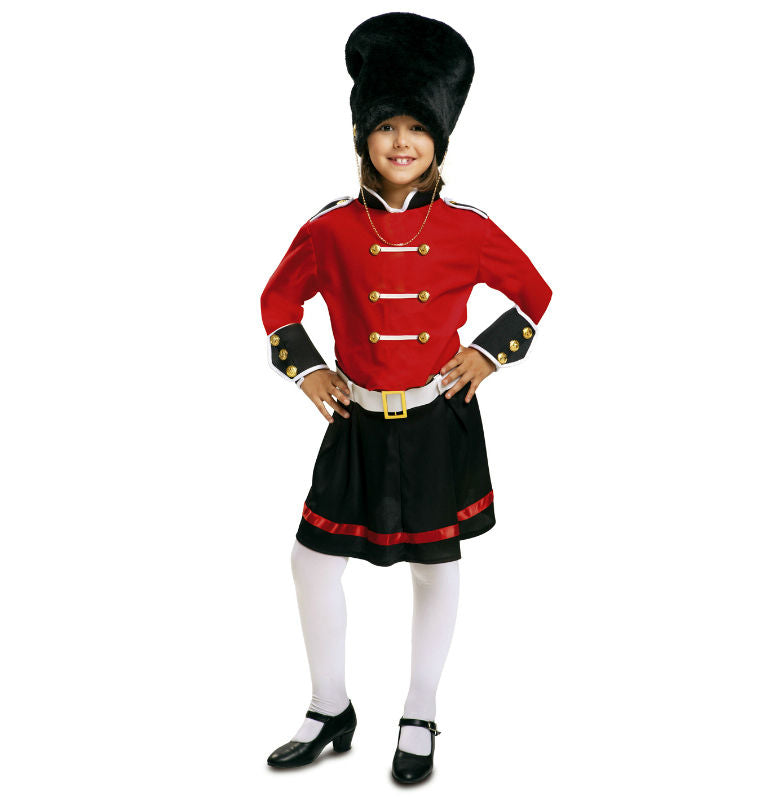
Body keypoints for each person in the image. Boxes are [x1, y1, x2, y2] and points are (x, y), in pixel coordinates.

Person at [261, 12, 553, 784]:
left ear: (439, 142)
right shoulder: (329, 229)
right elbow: (276, 302)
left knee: (435, 565)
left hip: (434, 421)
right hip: (355, 419)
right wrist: (307, 369)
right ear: (363, 138)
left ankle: (420, 710)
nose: (401, 141)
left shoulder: (467, 227)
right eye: (386, 126)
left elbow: (535, 294)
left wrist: (487, 353)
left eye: (417, 128)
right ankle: (329, 706)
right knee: (311, 562)